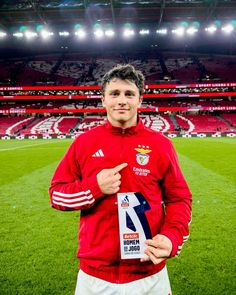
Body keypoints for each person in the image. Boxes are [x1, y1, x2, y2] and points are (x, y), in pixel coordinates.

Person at [49, 64, 192, 295]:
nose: (122, 100)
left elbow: (179, 199)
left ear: (140, 100)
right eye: (114, 94)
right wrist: (94, 188)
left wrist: (171, 236)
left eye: (129, 94)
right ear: (103, 100)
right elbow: (56, 194)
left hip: (150, 274)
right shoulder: (83, 143)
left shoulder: (161, 145)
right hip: (95, 276)